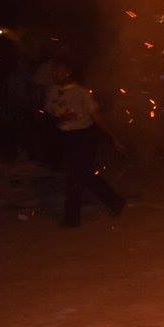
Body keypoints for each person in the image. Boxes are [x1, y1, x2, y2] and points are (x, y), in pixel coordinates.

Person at [43, 58, 125, 228]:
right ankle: (115, 201)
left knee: (75, 177)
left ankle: (71, 218)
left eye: (59, 70)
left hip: (83, 138)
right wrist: (59, 118)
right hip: (64, 138)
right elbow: (49, 113)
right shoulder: (52, 92)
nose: (55, 74)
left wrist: (111, 137)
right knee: (84, 175)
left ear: (68, 72)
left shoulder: (81, 92)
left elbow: (96, 117)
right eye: (54, 71)